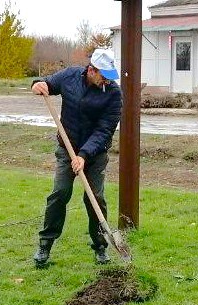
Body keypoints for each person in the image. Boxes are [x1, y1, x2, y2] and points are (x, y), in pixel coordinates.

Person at [30, 48, 122, 267]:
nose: (107, 81)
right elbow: (48, 83)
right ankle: (45, 244)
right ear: (91, 70)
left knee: (94, 198)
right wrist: (37, 83)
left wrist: (83, 155)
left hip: (95, 154)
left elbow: (104, 130)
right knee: (60, 193)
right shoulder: (70, 76)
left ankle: (100, 246)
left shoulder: (113, 94)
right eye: (104, 76)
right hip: (67, 148)